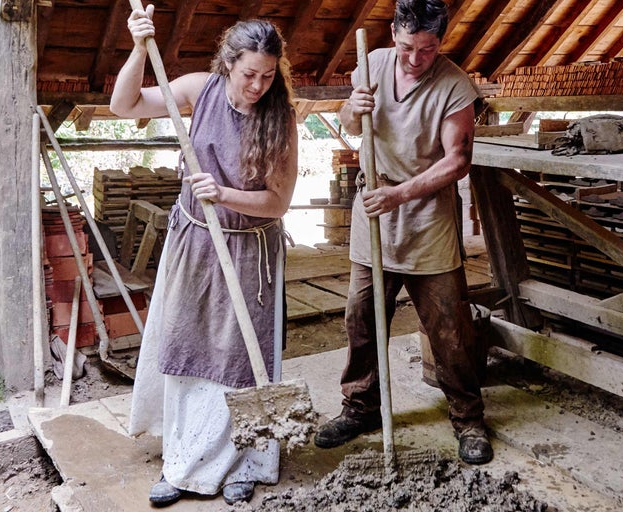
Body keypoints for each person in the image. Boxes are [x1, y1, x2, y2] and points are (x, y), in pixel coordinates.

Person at [110, 4, 298, 507]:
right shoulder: (200, 89)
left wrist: (225, 194)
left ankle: (244, 463)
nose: (257, 85)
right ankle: (183, 462)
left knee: (240, 361)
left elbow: (278, 202)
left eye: (267, 75)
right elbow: (123, 106)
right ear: (228, 64)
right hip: (194, 243)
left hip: (248, 252)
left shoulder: (280, 119)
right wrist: (136, 48)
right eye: (248, 74)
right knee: (187, 348)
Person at [313, 0, 492, 465]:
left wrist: (400, 195)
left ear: (441, 41)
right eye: (408, 46)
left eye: (428, 49)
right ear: (393, 31)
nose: (415, 58)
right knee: (361, 320)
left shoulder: (454, 85)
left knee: (449, 328)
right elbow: (355, 128)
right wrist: (353, 108)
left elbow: (458, 161)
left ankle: (468, 418)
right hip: (373, 206)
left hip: (427, 216)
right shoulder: (369, 64)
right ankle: (359, 408)